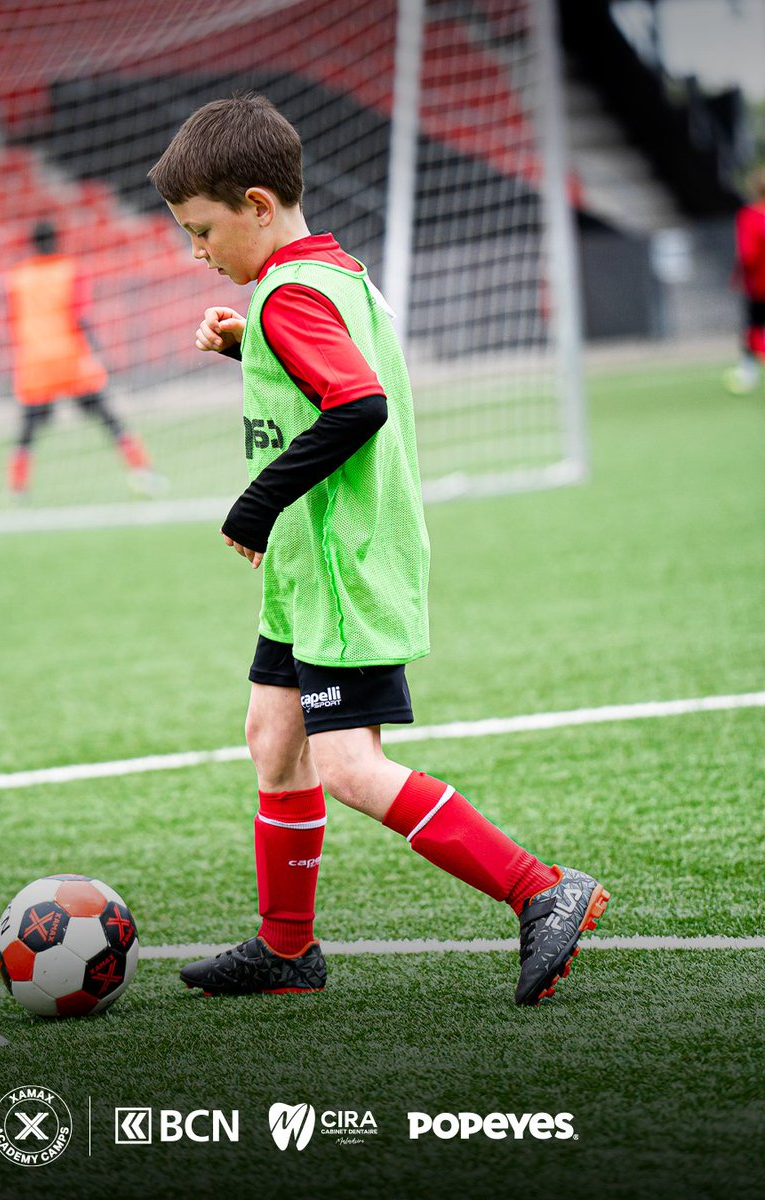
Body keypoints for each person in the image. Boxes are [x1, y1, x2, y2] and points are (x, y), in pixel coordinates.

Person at [148, 94, 609, 1006]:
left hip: (344, 565)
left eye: (202, 231)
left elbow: (359, 405)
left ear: (257, 206)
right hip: (307, 573)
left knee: (349, 768)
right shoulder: (335, 276)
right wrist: (253, 351)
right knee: (273, 742)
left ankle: (540, 889)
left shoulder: (289, 296)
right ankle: (287, 950)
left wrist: (256, 503)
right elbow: (326, 380)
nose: (197, 252)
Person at [5, 219, 166, 496]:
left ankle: (16, 488)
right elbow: (79, 316)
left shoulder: (18, 277)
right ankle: (142, 471)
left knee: (28, 428)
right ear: (57, 240)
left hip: (35, 362)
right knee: (108, 418)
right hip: (70, 358)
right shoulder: (70, 270)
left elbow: (14, 319)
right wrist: (96, 351)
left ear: (32, 244)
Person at [724, 167, 765, 395]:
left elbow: (747, 254)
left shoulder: (750, 215)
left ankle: (748, 373)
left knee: (752, 328)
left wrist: (738, 275)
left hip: (759, 284)